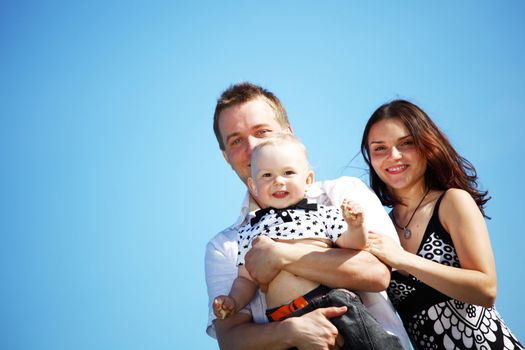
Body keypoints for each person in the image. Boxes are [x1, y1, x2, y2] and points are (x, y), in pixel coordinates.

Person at [205, 82, 412, 350]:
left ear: (289, 135)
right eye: (236, 140)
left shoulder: (340, 196)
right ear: (226, 157)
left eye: (262, 131)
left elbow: (375, 273)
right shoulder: (227, 245)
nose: (252, 146)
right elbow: (231, 339)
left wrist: (281, 256)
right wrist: (290, 331)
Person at [360, 99, 523, 349]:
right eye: (380, 148)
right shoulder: (383, 226)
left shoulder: (452, 202)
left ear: (427, 146)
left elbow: (486, 289)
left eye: (406, 143)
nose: (394, 156)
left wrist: (402, 259)